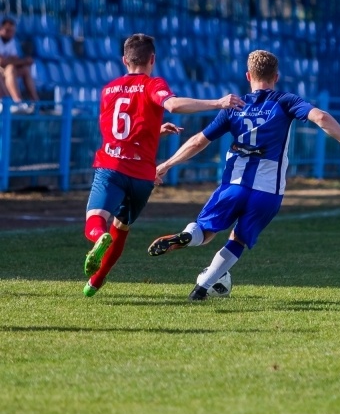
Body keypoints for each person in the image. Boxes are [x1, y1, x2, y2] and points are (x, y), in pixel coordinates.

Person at [146, 50, 340, 301]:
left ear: (248, 76)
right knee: (238, 239)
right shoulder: (285, 101)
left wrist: (166, 165)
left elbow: (198, 141)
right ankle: (201, 289)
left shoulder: (233, 106)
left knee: (205, 232)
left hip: (233, 186)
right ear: (276, 76)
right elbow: (321, 117)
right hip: (268, 192)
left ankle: (187, 236)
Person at [83, 33, 244, 297]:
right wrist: (217, 102)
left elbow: (119, 132)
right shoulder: (153, 84)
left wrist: (153, 130)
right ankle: (95, 282)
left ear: (124, 60)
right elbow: (172, 105)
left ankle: (98, 238)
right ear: (152, 59)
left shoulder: (108, 90)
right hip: (142, 177)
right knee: (121, 227)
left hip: (111, 167)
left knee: (96, 218)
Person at [0, 17, 40, 113]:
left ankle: (36, 103)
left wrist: (19, 62)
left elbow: (14, 59)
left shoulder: (11, 41)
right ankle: (17, 102)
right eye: (7, 30)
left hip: (4, 69)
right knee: (10, 69)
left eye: (12, 31)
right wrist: (23, 61)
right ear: (1, 29)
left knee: (25, 69)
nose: (10, 33)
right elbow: (2, 62)